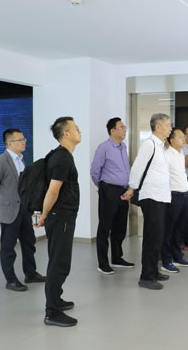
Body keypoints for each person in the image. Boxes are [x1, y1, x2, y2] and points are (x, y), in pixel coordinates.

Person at [0, 128, 45, 291]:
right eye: (20, 140)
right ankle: (10, 280)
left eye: (24, 139)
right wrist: (4, 200)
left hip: (24, 209)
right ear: (10, 143)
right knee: (8, 247)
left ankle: (30, 274)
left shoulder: (22, 160)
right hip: (9, 210)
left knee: (29, 243)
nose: (24, 142)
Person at [36, 117, 81, 327]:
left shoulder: (61, 155)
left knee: (59, 260)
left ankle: (57, 299)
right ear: (66, 134)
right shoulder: (62, 158)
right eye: (76, 128)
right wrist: (44, 215)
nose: (79, 131)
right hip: (60, 217)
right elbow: (53, 191)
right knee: (59, 263)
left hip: (62, 217)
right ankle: (52, 312)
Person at [121, 113, 172, 290]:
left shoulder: (161, 146)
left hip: (161, 196)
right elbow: (137, 168)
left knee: (158, 237)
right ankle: (146, 277)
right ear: (158, 127)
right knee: (152, 238)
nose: (170, 128)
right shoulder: (149, 144)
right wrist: (131, 188)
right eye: (168, 125)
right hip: (152, 196)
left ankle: (154, 271)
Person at [90, 117, 134, 275]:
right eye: (121, 127)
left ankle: (117, 257)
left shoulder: (123, 147)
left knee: (120, 227)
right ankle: (103, 263)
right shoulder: (104, 148)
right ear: (112, 130)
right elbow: (94, 171)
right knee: (105, 227)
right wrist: (103, 187)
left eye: (124, 127)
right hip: (109, 190)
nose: (124, 129)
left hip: (123, 190)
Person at [161, 128, 188, 274]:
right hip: (173, 197)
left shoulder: (181, 153)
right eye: (180, 137)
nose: (184, 139)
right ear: (172, 140)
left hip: (184, 195)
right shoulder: (167, 155)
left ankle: (177, 256)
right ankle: (166, 260)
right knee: (169, 230)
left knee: (179, 230)